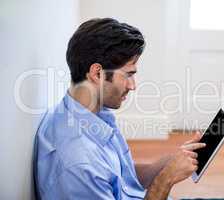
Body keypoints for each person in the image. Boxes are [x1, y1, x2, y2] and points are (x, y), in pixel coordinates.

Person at [33, 18, 205, 200]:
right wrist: (166, 179)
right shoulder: (78, 166)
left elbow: (120, 179)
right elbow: (94, 170)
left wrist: (172, 162)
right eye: (128, 74)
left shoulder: (88, 113)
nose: (133, 86)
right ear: (97, 73)